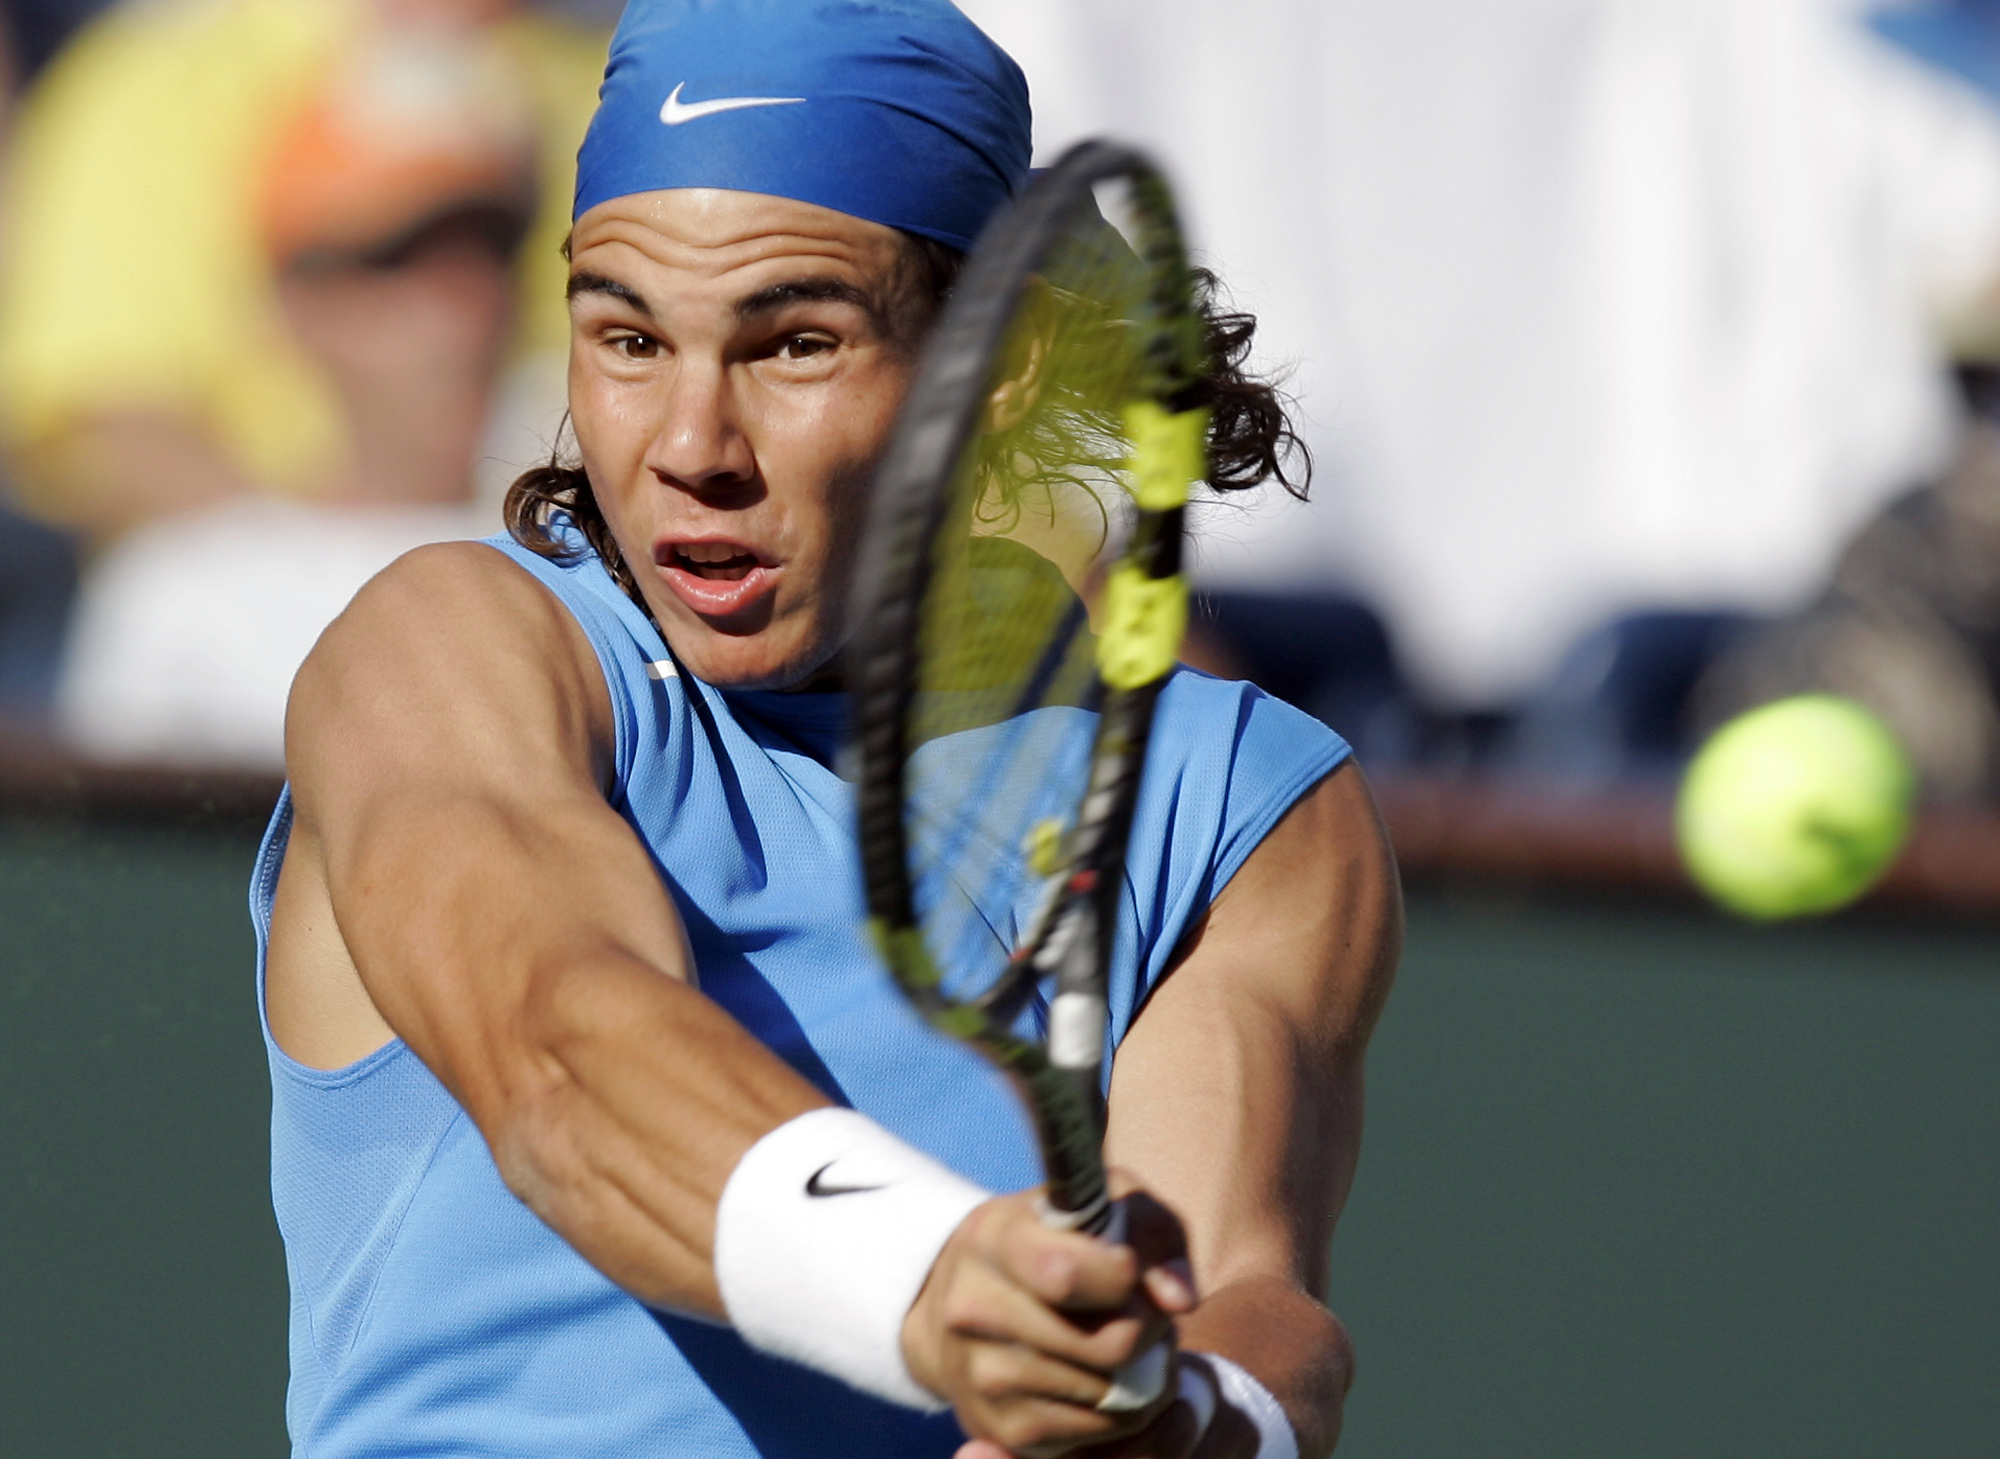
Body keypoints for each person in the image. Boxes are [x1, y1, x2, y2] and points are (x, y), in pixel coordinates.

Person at [258, 2, 1400, 1456]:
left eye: (793, 343)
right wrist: (927, 1282)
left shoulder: (1235, 800)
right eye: (623, 337)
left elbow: (1249, 1287)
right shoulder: (450, 650)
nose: (686, 446)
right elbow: (563, 1062)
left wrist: (1189, 1415)